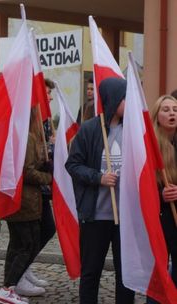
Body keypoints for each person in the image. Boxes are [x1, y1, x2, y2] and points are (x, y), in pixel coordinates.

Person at [65, 77, 135, 304]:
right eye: (125, 98)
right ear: (114, 99)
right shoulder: (90, 129)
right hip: (96, 216)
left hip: (125, 218)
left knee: (126, 274)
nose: (129, 102)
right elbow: (73, 165)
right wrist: (99, 178)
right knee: (91, 271)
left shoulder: (134, 130)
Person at [0, 108, 53, 304]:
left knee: (18, 246)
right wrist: (48, 177)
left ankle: (9, 286)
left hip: (18, 201)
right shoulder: (26, 137)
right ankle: (8, 287)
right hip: (25, 202)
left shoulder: (17, 135)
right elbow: (27, 171)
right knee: (27, 246)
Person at [14, 79, 57, 297]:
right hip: (27, 195)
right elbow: (26, 169)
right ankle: (18, 275)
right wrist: (49, 176)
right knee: (30, 236)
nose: (49, 97)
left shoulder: (43, 123)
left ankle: (25, 267)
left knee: (44, 229)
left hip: (37, 194)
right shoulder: (28, 130)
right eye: (46, 93)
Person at [146, 95, 177, 303]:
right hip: (161, 217)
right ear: (157, 116)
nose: (172, 113)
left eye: (175, 109)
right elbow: (142, 186)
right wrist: (161, 195)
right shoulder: (151, 146)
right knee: (159, 269)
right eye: (166, 110)